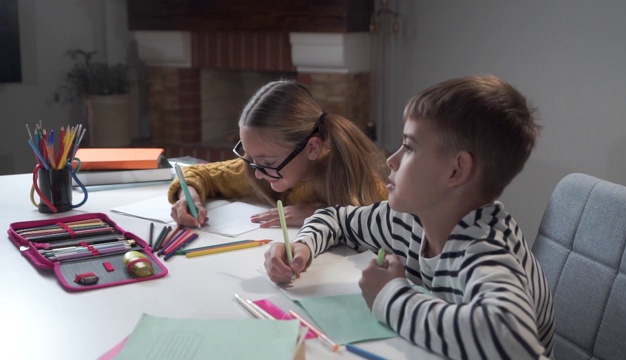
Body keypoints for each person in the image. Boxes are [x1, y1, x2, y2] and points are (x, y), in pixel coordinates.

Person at [264, 75, 555, 359]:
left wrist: (389, 295)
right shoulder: (409, 219)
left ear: (457, 171)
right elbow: (336, 218)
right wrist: (303, 247)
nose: (392, 159)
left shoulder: (483, 248)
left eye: (410, 146)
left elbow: (512, 339)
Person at [169, 79, 388, 228]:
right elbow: (200, 174)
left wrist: (322, 215)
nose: (257, 174)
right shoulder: (262, 168)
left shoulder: (355, 180)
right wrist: (190, 198)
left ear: (312, 148)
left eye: (267, 162)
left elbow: (385, 224)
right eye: (250, 157)